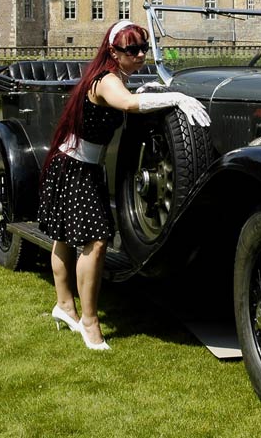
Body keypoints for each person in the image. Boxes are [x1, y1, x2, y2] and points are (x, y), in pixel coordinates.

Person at [37, 20, 210, 350]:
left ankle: (65, 305)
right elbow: (129, 104)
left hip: (81, 165)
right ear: (114, 52)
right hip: (75, 166)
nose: (141, 54)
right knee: (95, 241)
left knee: (67, 237)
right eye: (133, 49)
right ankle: (88, 321)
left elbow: (130, 96)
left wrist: (152, 92)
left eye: (144, 48)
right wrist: (177, 98)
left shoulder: (112, 77)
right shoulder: (105, 81)